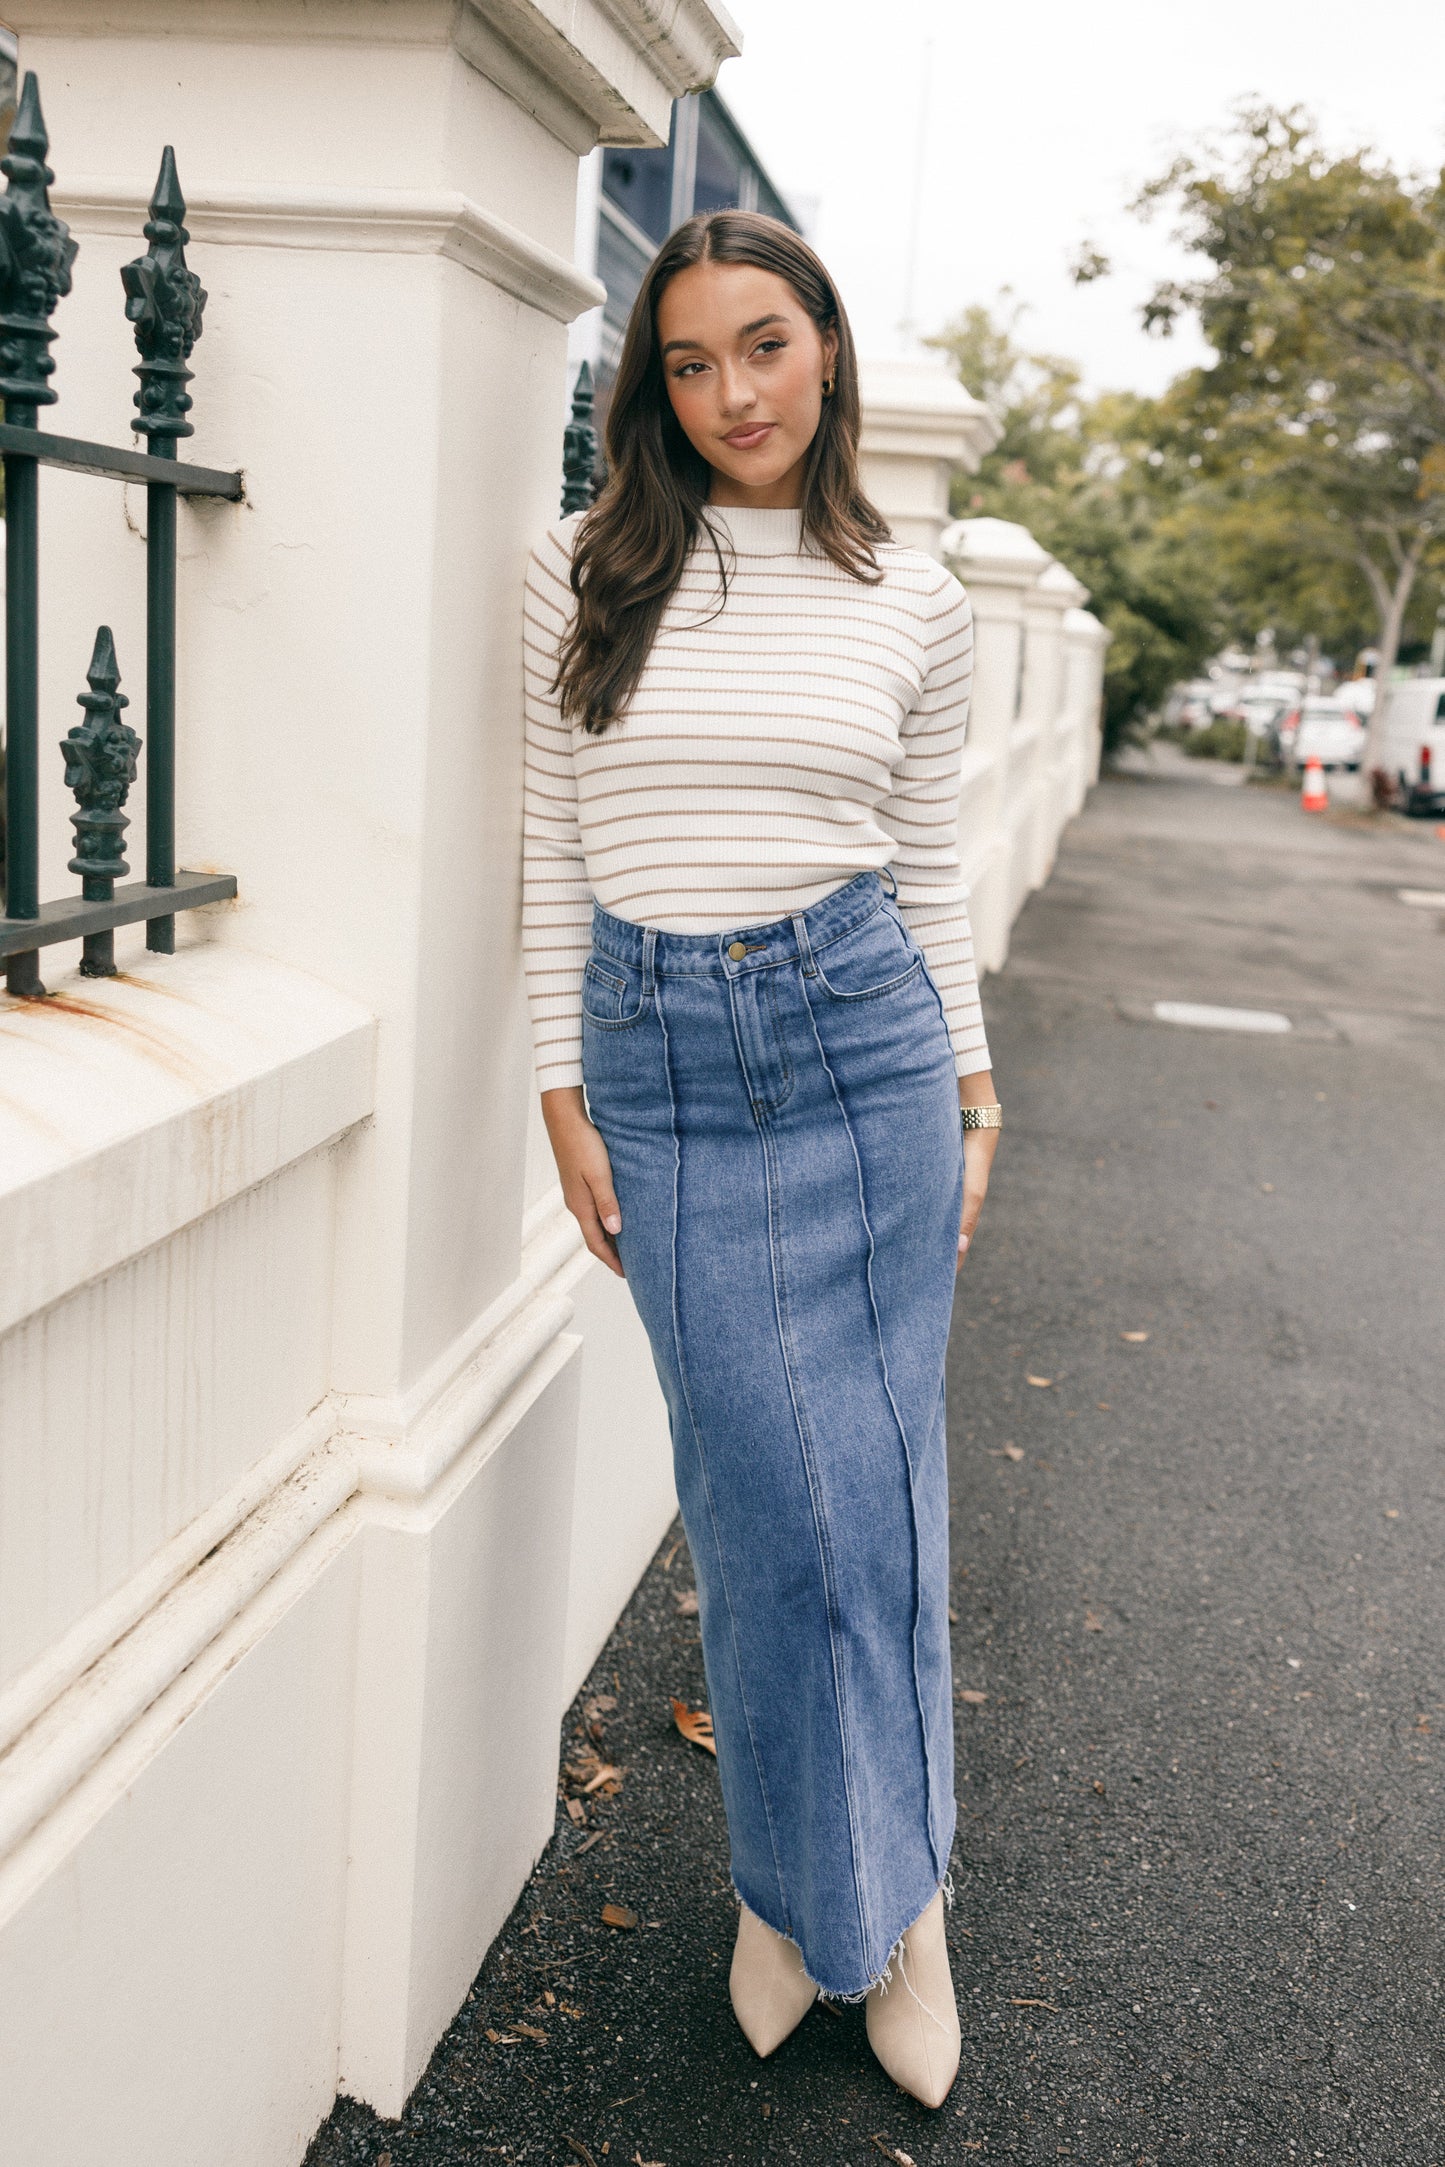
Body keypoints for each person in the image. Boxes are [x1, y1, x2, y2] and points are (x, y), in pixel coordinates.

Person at [522, 210, 1001, 2110]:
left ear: (829, 349)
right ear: (652, 386)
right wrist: (560, 1089)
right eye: (691, 362)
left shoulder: (919, 598)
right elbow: (553, 849)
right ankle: (788, 1897)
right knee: (749, 1503)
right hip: (657, 1060)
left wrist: (972, 1090)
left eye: (766, 346)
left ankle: (906, 1910)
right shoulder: (579, 574)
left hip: (865, 1036)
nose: (733, 393)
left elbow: (934, 866)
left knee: (872, 1502)